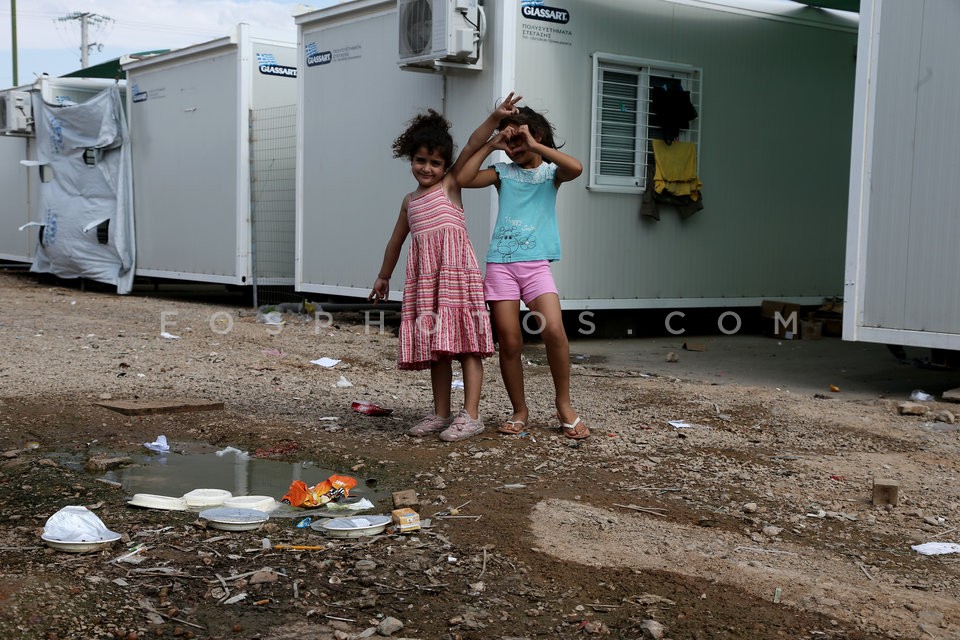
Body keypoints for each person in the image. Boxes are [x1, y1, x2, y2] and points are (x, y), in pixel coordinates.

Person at [369, 95, 522, 441]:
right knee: (438, 348)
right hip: (427, 282)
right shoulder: (409, 202)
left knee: (466, 344)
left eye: (435, 163)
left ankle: (470, 415)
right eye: (421, 161)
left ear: (445, 165)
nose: (427, 168)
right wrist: (383, 275)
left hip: (456, 276)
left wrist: (495, 119)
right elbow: (396, 241)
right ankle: (441, 413)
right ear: (411, 158)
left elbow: (471, 144)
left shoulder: (450, 186)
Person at [456, 103, 590, 440]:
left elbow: (576, 167)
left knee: (554, 332)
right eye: (509, 140)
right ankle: (520, 410)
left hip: (536, 268)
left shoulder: (549, 174)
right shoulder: (503, 173)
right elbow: (463, 178)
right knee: (510, 342)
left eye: (518, 139)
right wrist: (491, 143)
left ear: (536, 135)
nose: (513, 147)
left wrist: (533, 146)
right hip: (500, 268)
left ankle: (564, 405)